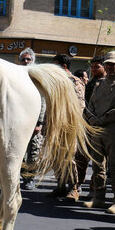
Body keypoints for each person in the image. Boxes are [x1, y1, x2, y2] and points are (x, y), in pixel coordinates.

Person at [83, 51, 115, 214]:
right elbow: (90, 105)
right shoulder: (99, 84)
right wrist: (92, 119)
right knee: (97, 165)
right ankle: (98, 197)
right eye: (107, 64)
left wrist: (103, 119)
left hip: (114, 129)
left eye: (113, 64)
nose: (110, 67)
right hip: (97, 129)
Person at [50, 54, 86, 199]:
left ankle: (73, 188)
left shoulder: (75, 81)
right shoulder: (55, 82)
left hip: (69, 125)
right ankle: (60, 185)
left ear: (64, 66)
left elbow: (80, 105)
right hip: (55, 124)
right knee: (56, 156)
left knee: (69, 157)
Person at [18, 48, 44, 190]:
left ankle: (29, 178)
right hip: (17, 122)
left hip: (34, 122)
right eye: (24, 59)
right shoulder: (14, 75)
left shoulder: (37, 77)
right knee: (17, 152)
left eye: (29, 59)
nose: (26, 62)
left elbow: (43, 101)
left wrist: (39, 122)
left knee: (33, 153)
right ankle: (16, 177)